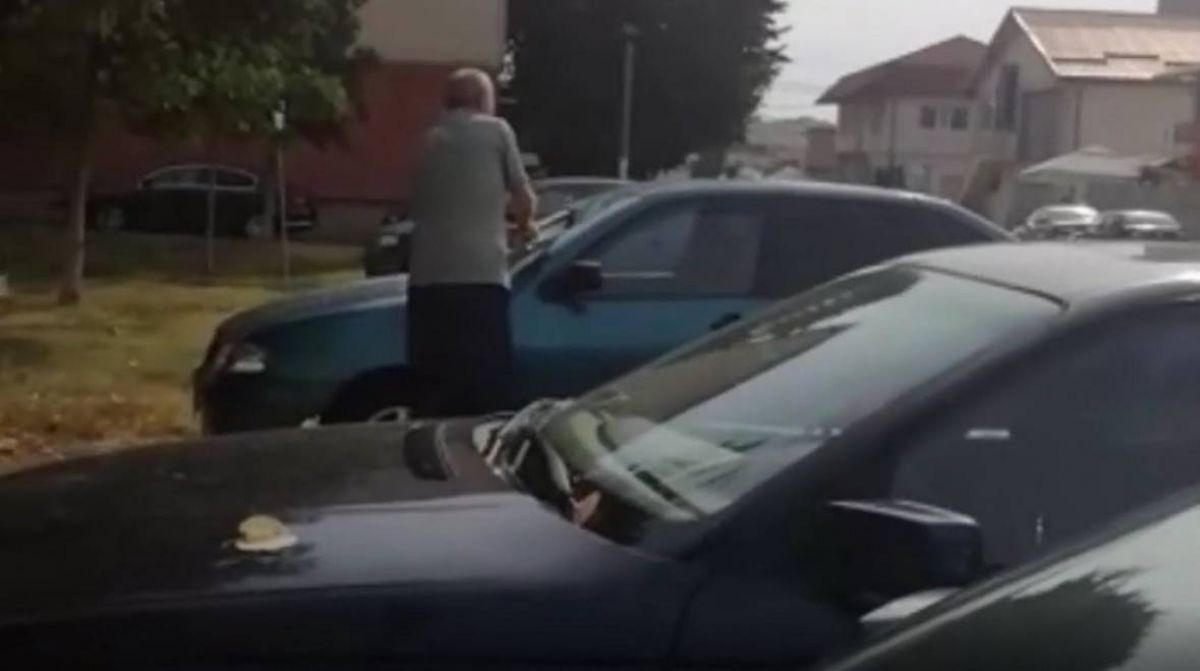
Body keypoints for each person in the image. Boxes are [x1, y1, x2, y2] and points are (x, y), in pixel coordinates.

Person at [407, 68, 538, 418]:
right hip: (481, 278)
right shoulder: (496, 131)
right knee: (485, 384)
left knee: (433, 384)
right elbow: (523, 198)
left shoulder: (427, 138)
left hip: (427, 281)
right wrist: (524, 227)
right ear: (482, 100)